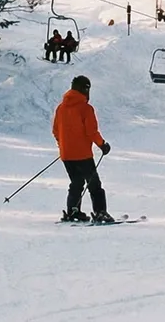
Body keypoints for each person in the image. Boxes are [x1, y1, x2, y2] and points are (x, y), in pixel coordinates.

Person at [51, 75, 114, 224]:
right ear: (85, 89)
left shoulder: (61, 108)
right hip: (83, 155)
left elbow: (55, 131)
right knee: (94, 184)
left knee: (76, 182)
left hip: (66, 155)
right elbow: (91, 132)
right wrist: (102, 145)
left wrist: (64, 145)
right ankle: (100, 212)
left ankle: (73, 210)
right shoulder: (85, 108)